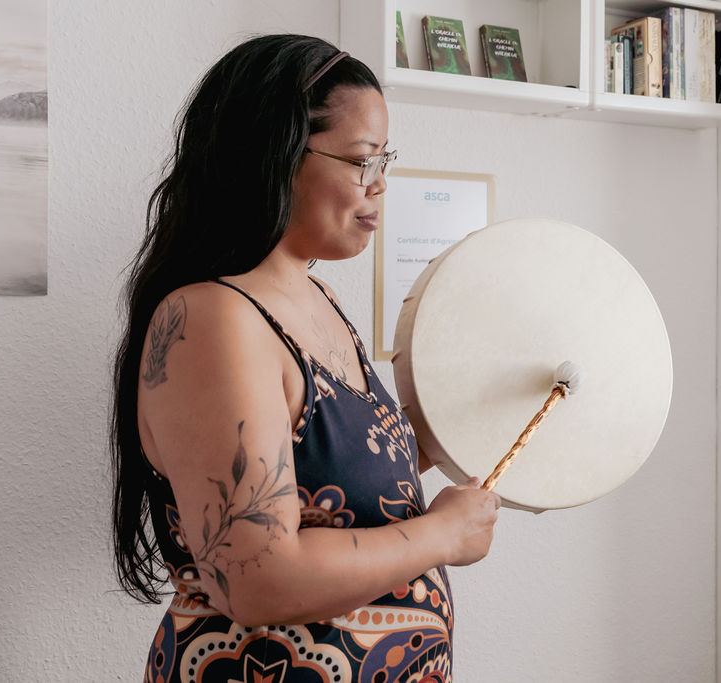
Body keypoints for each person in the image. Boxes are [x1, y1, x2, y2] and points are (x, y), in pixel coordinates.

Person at [109, 34, 501, 683]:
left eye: (386, 159)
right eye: (359, 160)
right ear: (273, 155)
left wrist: (460, 414)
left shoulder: (315, 294)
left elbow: (332, 477)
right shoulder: (212, 318)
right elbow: (255, 577)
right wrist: (445, 536)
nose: (380, 184)